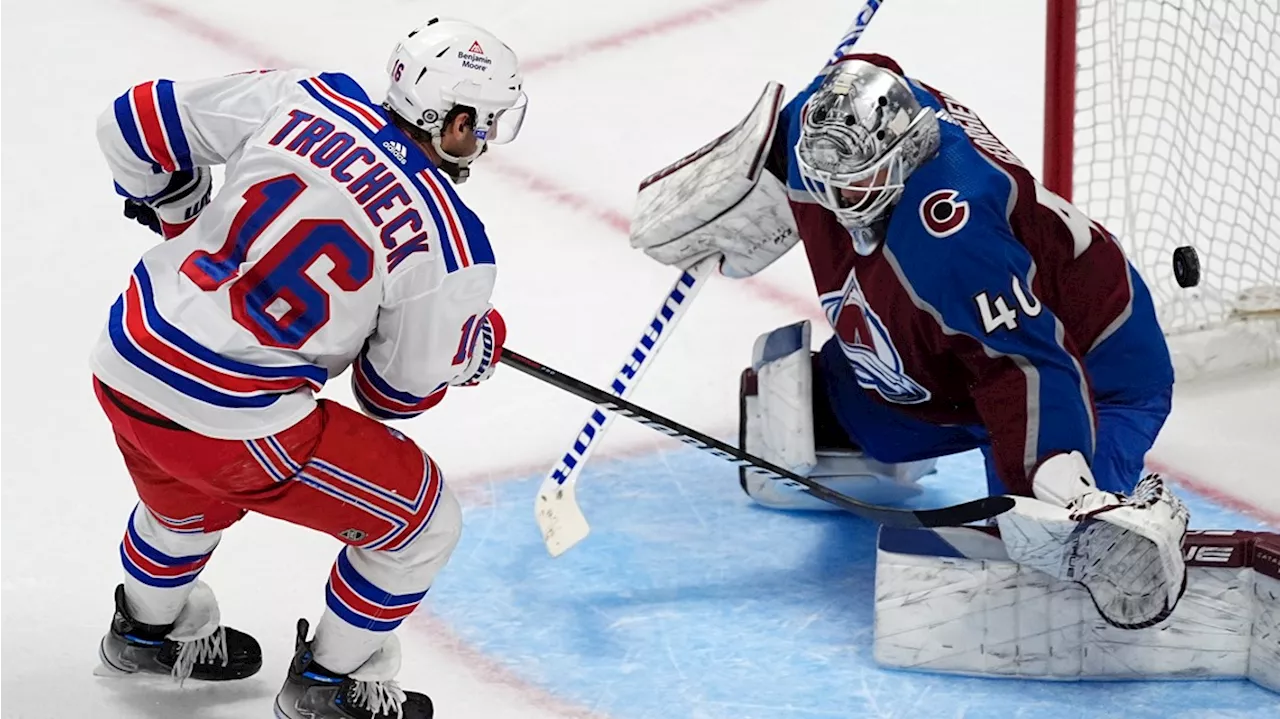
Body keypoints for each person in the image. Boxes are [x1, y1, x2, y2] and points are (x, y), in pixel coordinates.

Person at [630, 52, 1188, 630]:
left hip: (1092, 373)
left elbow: (1026, 367)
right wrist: (745, 172)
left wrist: (1062, 485)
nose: (838, 200)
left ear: (909, 150)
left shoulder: (957, 232)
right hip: (958, 359)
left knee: (1041, 542)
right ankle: (852, 415)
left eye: (857, 183)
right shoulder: (824, 127)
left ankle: (1096, 511)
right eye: (828, 184)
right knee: (824, 414)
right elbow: (862, 71)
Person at [90, 17, 525, 719]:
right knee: (421, 521)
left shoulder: (309, 95)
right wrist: (461, 352)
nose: (484, 142)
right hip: (234, 421)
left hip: (126, 357)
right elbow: (393, 395)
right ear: (455, 118)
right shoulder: (450, 241)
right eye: (484, 125)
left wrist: (179, 210)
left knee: (184, 496)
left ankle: (147, 629)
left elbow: (134, 122)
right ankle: (330, 681)